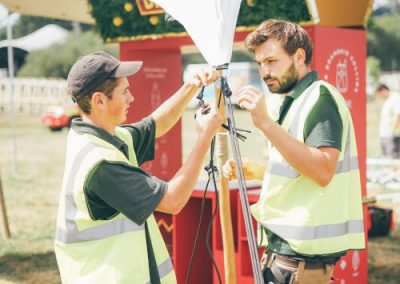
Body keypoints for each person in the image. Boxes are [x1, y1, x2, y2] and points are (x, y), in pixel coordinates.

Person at [54, 51, 222, 283]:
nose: (131, 98)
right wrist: (204, 138)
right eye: (124, 92)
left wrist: (191, 87)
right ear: (99, 100)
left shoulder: (102, 136)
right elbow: (173, 201)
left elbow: (156, 124)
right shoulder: (102, 164)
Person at [223, 20, 365, 283]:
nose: (264, 71)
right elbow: (296, 165)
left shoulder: (320, 99)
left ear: (299, 56)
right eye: (259, 64)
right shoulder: (290, 101)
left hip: (301, 265)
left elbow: (322, 169)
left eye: (272, 61)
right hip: (286, 260)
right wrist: (253, 169)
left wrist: (265, 124)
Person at [376, 83, 400, 159]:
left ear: (383, 90)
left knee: (393, 158)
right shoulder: (387, 101)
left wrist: (391, 130)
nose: (380, 97)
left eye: (380, 94)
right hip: (385, 135)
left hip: (392, 135)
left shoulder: (395, 98)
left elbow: (398, 114)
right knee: (386, 159)